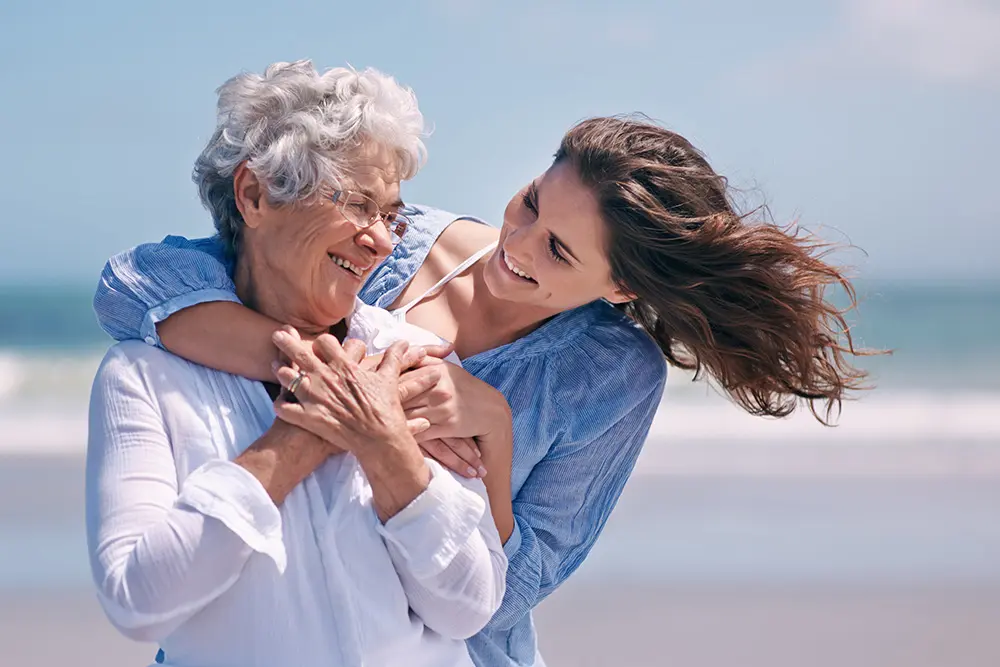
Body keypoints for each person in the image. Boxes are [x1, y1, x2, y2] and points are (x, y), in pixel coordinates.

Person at [95, 113, 869, 666]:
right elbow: (139, 283)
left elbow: (510, 590)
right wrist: (319, 377)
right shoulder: (398, 243)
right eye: (531, 201)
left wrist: (493, 431)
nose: (516, 246)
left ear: (623, 286)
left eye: (559, 249)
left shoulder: (609, 375)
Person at [86, 60, 507, 667]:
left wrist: (389, 452)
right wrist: (297, 441)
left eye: (391, 215)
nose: (384, 241)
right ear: (254, 195)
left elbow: (471, 606)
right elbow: (137, 599)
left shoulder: (407, 357)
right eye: (359, 204)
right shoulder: (143, 379)